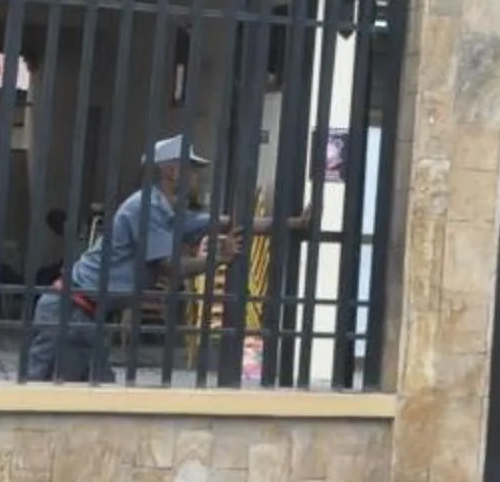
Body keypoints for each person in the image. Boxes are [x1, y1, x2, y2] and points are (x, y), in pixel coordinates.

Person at [20, 138, 304, 383]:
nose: (197, 177)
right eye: (191, 170)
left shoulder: (169, 212)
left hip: (86, 314)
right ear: (170, 171)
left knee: (94, 393)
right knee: (49, 390)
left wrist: (295, 224)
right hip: (70, 311)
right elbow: (168, 267)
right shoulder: (147, 207)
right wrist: (219, 260)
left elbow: (233, 222)